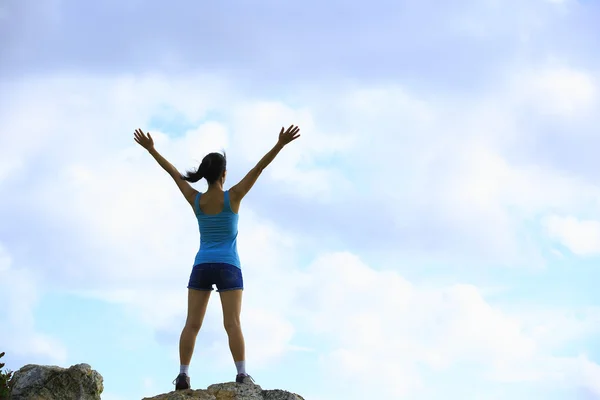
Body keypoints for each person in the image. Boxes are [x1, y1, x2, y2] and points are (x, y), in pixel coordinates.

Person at [133, 125, 301, 390]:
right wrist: (279, 144)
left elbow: (174, 174)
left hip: (202, 265)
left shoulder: (196, 200)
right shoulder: (232, 197)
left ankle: (183, 375)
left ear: (204, 176)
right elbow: (258, 169)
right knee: (232, 323)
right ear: (224, 174)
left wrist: (152, 150)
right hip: (228, 266)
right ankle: (242, 375)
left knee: (192, 324)